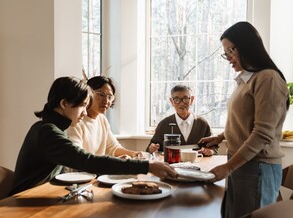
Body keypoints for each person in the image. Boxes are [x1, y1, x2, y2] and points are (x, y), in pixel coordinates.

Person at [10, 76, 177, 195]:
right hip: (24, 200)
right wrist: (147, 166)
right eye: (83, 105)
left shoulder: (50, 128)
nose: (84, 112)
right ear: (64, 103)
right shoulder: (48, 132)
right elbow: (86, 160)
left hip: (44, 194)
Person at [200, 22, 289, 218]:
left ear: (247, 45)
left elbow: (262, 133)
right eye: (225, 52)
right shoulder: (246, 79)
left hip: (257, 166)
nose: (228, 57)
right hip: (243, 163)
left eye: (231, 50)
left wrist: (228, 168)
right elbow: (244, 118)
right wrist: (221, 137)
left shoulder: (268, 79)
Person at [66, 75, 141, 159]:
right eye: (101, 95)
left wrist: (135, 154)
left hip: (98, 170)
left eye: (110, 97)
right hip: (81, 171)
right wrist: (116, 162)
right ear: (89, 94)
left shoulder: (102, 119)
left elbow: (112, 147)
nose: (106, 101)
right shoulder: (76, 121)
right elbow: (78, 159)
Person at [146, 85, 214, 156]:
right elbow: (149, 149)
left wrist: (210, 151)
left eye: (185, 98)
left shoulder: (203, 124)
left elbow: (214, 148)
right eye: (176, 99)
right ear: (172, 101)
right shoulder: (163, 124)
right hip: (171, 165)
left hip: (198, 164)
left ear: (192, 100)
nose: (181, 103)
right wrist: (152, 148)